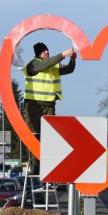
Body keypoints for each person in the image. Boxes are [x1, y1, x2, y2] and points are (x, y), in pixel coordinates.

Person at [23, 42, 77, 174]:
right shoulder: (34, 64)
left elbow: (68, 70)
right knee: (35, 135)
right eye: (44, 51)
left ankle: (48, 163)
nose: (47, 52)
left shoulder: (53, 64)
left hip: (49, 105)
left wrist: (72, 60)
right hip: (34, 105)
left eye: (47, 50)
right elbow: (44, 65)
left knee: (49, 135)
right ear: (38, 53)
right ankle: (36, 164)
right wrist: (63, 54)